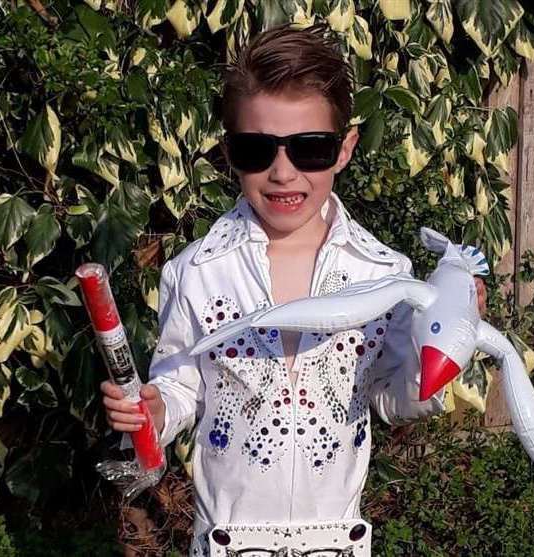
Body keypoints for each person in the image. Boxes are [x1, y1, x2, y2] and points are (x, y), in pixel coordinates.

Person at [101, 23, 486, 555]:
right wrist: (154, 413)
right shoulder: (197, 271)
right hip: (228, 543)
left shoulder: (384, 274)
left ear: (345, 147)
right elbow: (181, 384)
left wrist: (440, 354)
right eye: (257, 149)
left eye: (309, 148)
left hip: (337, 544)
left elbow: (392, 398)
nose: (283, 173)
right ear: (229, 151)